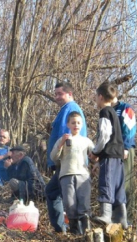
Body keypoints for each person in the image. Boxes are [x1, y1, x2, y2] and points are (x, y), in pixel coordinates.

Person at [45, 82, 87, 233]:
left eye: (60, 94)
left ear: (69, 94)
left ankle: (72, 230)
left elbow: (66, 136)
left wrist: (58, 160)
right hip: (67, 163)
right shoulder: (66, 110)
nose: (57, 97)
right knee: (60, 194)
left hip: (68, 163)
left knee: (62, 195)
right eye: (55, 94)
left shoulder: (70, 109)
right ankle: (67, 228)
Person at [51, 112, 95, 234]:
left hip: (83, 175)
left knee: (84, 205)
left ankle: (87, 233)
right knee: (70, 204)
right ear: (68, 124)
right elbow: (54, 157)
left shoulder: (86, 141)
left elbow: (95, 156)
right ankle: (75, 233)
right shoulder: (63, 139)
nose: (76, 125)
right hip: (66, 175)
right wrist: (61, 144)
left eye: (78, 122)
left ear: (82, 125)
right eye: (73, 122)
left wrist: (96, 162)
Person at [91, 82, 127, 228]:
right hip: (118, 155)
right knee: (118, 186)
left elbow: (105, 135)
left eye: (95, 96)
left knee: (106, 182)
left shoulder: (105, 112)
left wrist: (96, 151)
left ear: (100, 96)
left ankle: (106, 215)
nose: (95, 99)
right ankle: (121, 219)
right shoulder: (114, 112)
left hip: (110, 155)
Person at [112, 92, 137, 224]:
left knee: (125, 184)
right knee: (113, 185)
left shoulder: (125, 108)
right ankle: (115, 220)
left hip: (124, 150)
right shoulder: (107, 110)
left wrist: (126, 147)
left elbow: (130, 129)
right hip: (111, 152)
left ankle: (128, 221)